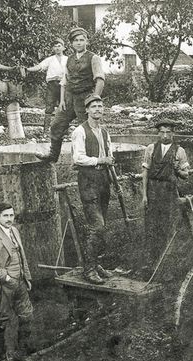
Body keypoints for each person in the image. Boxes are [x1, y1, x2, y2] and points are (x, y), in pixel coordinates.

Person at [0, 203, 39, 361]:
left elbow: (22, 256)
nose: (9, 219)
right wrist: (6, 277)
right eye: (5, 216)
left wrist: (26, 277)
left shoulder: (15, 231)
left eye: (11, 215)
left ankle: (21, 354)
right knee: (1, 322)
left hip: (19, 283)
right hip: (2, 286)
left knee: (27, 316)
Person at [39, 27, 105, 163]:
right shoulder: (69, 59)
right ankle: (53, 155)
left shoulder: (94, 58)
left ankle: (88, 160)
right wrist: (62, 100)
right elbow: (64, 81)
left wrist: (94, 101)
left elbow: (100, 80)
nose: (79, 43)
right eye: (76, 40)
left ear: (87, 41)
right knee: (57, 124)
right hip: (69, 97)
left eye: (82, 40)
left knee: (87, 129)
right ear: (71, 43)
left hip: (85, 98)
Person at [70, 94, 115, 285]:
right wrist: (100, 161)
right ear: (86, 110)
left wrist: (111, 171)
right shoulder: (80, 131)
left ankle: (96, 264)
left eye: (100, 106)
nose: (97, 109)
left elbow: (109, 155)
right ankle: (89, 269)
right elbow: (78, 158)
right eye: (93, 106)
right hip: (88, 180)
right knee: (97, 226)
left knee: (102, 226)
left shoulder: (104, 132)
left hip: (104, 180)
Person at [142, 119, 190, 265]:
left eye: (168, 132)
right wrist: (144, 195)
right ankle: (150, 260)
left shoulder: (179, 151)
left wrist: (177, 169)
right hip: (153, 191)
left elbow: (186, 174)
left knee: (168, 224)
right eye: (162, 132)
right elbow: (145, 172)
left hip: (169, 191)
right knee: (151, 224)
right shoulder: (151, 148)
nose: (164, 136)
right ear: (158, 133)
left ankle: (166, 260)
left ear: (173, 133)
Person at [26, 38, 68, 129]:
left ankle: (64, 129)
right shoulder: (50, 59)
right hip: (52, 84)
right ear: (53, 48)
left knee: (64, 106)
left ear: (64, 48)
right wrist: (28, 69)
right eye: (55, 46)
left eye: (59, 46)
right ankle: (46, 129)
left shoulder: (68, 59)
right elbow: (39, 66)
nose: (57, 48)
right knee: (49, 106)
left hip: (64, 85)